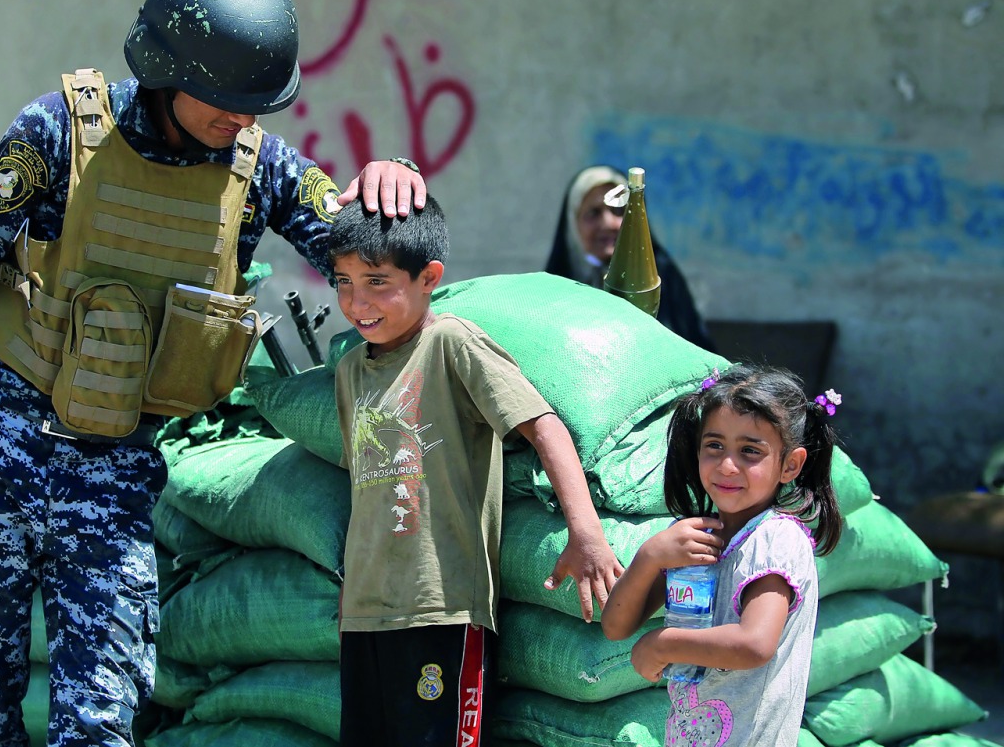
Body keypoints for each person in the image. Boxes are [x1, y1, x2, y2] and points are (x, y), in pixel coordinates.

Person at [0, 0, 427, 747]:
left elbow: (364, 255)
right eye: (226, 99)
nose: (243, 118)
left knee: (103, 722)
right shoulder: (55, 132)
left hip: (110, 475)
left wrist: (397, 175)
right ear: (166, 68)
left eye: (257, 103)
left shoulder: (261, 170)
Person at [329, 195, 624, 747]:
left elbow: (544, 426)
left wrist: (585, 533)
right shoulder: (349, 370)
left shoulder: (450, 343)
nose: (356, 302)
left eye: (376, 281)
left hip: (443, 608)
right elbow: (364, 490)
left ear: (428, 278)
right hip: (366, 617)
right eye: (342, 282)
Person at [600, 364, 843, 747]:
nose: (728, 465)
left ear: (790, 465)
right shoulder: (697, 540)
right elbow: (615, 627)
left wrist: (663, 643)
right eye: (715, 446)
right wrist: (649, 557)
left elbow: (754, 643)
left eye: (750, 451)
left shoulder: (776, 538)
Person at [545, 164, 716, 350]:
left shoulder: (660, 276)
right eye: (593, 213)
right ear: (572, 223)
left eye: (619, 211)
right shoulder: (555, 286)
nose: (607, 223)